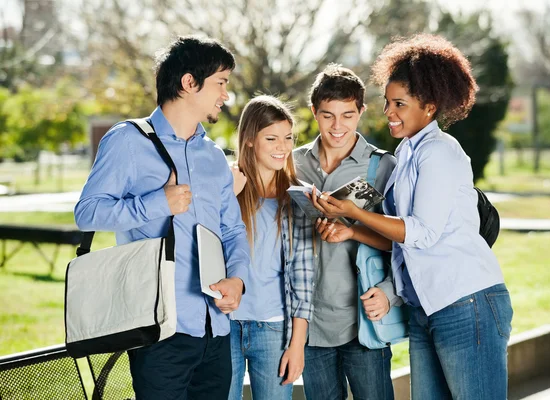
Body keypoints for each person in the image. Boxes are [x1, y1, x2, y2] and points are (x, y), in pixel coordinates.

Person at [314, 34, 513, 399]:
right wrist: (351, 231)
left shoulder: (439, 151)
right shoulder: (406, 152)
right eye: (388, 102)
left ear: (430, 106)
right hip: (425, 308)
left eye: (399, 104)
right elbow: (401, 241)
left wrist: (355, 212)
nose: (389, 112)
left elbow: (420, 233)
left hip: (465, 303)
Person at [74, 36, 250, 400]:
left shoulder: (214, 156)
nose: (225, 95)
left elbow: (232, 229)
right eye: (221, 82)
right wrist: (158, 203)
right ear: (189, 83)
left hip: (215, 331)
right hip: (160, 330)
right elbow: (87, 211)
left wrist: (238, 280)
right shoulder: (127, 140)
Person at [293, 64, 399, 400]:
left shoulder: (381, 167)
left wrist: (389, 291)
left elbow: (406, 240)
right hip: (308, 323)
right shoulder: (292, 164)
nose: (337, 127)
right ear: (314, 112)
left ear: (362, 112)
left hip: (363, 318)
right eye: (327, 116)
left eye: (348, 115)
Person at [227, 95, 314, 399]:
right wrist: (225, 195)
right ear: (250, 139)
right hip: (225, 326)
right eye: (272, 138)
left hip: (275, 330)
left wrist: (297, 344)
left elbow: (304, 276)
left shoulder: (299, 198)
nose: (283, 147)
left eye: (288, 138)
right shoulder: (227, 186)